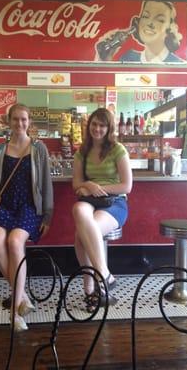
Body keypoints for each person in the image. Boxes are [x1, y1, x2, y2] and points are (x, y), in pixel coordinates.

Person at [0, 103, 53, 332]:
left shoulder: (38, 148)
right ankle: (23, 295)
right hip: (5, 205)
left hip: (28, 206)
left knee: (15, 242)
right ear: (9, 121)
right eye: (15, 119)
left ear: (29, 122)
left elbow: (46, 182)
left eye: (23, 119)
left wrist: (47, 215)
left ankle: (14, 314)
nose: (19, 123)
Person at [72, 108, 132, 312]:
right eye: (94, 124)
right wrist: (89, 186)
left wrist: (99, 188)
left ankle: (91, 290)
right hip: (90, 200)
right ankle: (104, 275)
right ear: (89, 126)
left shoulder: (118, 149)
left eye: (102, 125)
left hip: (115, 202)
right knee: (78, 210)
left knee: (82, 235)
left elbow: (126, 186)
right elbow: (77, 184)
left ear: (109, 128)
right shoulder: (82, 151)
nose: (97, 129)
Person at [95, 1, 183, 63]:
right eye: (145, 16)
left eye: (160, 20)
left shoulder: (176, 63)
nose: (150, 23)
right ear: (138, 23)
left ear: (170, 28)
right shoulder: (128, 57)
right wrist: (105, 58)